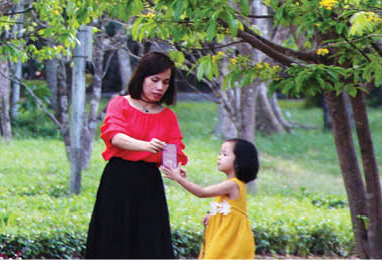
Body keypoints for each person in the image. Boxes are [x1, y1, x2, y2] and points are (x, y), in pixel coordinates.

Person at [85, 51, 188, 259]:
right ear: (141, 77)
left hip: (149, 183)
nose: (160, 87)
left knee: (148, 239)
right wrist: (146, 145)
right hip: (118, 179)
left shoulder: (168, 116)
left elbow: (172, 150)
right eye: (155, 80)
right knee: (113, 235)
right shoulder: (120, 104)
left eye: (166, 82)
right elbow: (115, 137)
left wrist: (175, 169)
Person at [162, 137, 259, 260]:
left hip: (229, 238)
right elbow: (229, 208)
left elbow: (202, 192)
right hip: (224, 234)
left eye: (225, 154)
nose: (219, 157)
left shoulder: (232, 184)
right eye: (220, 153)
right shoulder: (232, 184)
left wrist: (179, 179)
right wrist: (212, 216)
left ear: (239, 161)